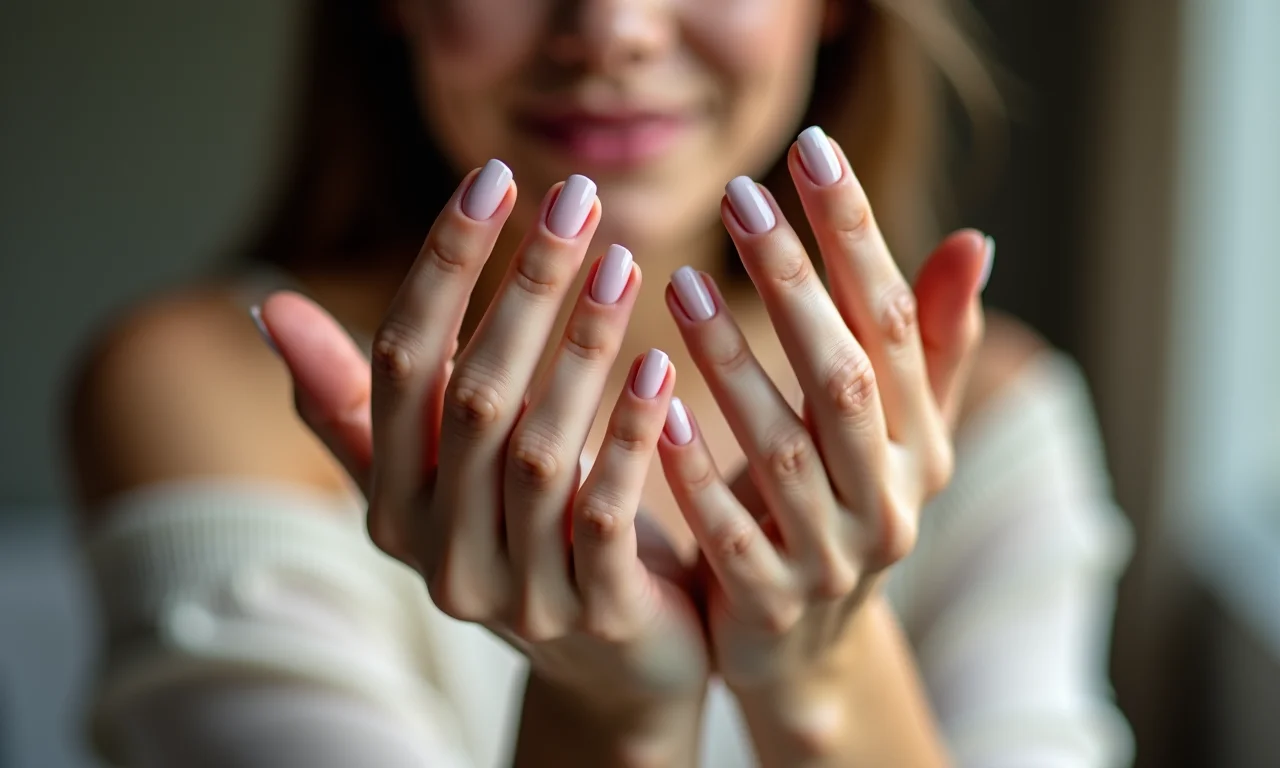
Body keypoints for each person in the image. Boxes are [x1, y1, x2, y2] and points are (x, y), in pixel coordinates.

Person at [69, 1, 1134, 765]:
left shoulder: (996, 416)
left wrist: (822, 668)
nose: (612, 25)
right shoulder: (211, 387)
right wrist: (604, 718)